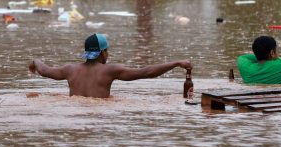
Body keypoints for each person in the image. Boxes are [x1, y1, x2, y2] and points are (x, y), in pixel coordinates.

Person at [28, 33, 192, 98]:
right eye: (107, 51)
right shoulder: (110, 70)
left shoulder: (70, 69)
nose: (108, 54)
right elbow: (146, 72)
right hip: (100, 114)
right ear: (102, 53)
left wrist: (35, 61)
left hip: (74, 112)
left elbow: (44, 70)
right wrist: (176, 63)